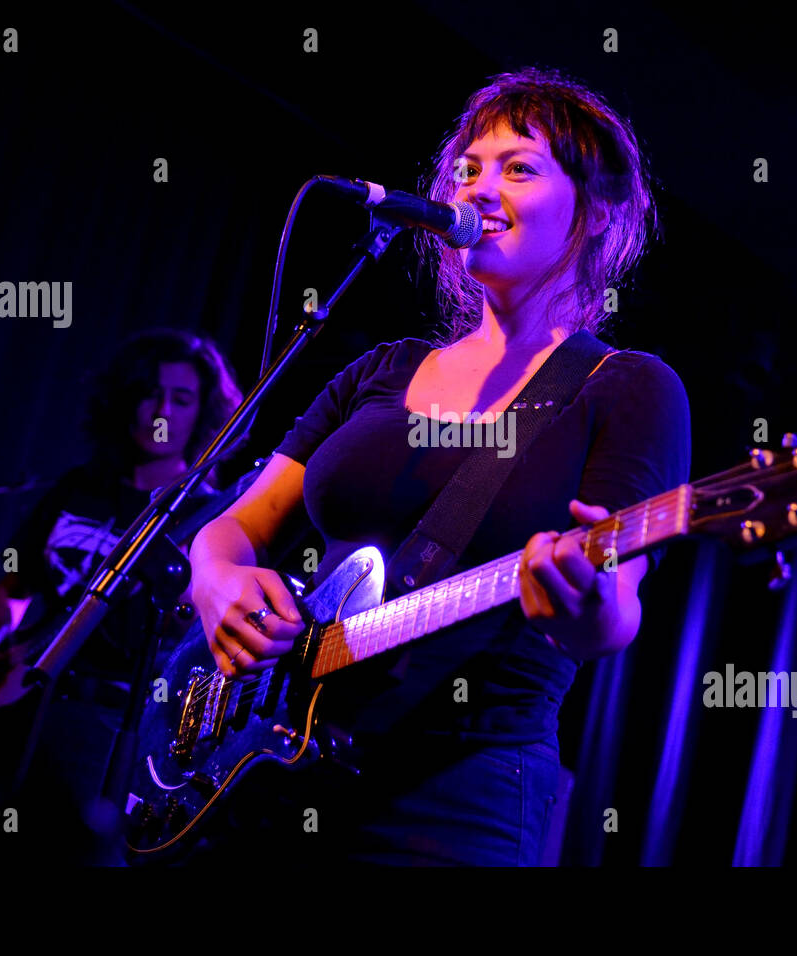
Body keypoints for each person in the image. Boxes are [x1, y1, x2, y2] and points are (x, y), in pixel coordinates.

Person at [188, 67, 691, 866]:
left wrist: (583, 598)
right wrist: (214, 579)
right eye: (468, 168)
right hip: (272, 770)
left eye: (519, 167)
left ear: (595, 216)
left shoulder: (626, 387)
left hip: (457, 793)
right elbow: (232, 528)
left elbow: (613, 620)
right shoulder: (381, 369)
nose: (481, 187)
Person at [0, 327, 246, 863]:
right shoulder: (77, 488)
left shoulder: (211, 517)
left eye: (182, 399)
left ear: (202, 413)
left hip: (116, 722)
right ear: (124, 399)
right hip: (28, 701)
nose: (163, 410)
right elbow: (11, 591)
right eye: (150, 393)